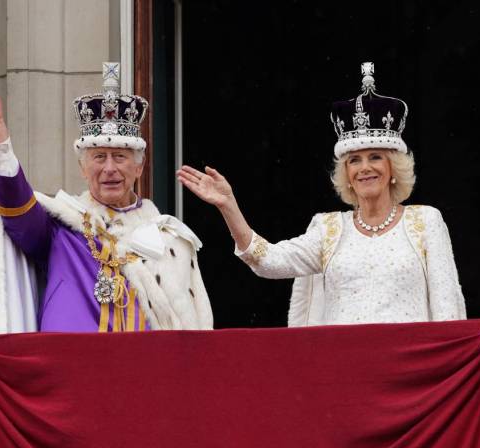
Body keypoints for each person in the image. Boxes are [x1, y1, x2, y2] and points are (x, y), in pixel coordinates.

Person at [178, 62, 465, 326]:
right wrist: (229, 205)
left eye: (375, 157)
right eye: (354, 160)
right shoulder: (328, 229)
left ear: (393, 168)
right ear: (348, 176)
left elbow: (447, 309)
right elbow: (268, 261)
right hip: (344, 369)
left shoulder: (426, 222)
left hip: (410, 370)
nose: (365, 168)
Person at [0, 62, 212, 334]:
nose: (109, 168)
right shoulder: (61, 227)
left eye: (119, 157)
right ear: (83, 169)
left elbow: (192, 335)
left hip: (145, 372)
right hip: (68, 369)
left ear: (139, 167)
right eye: (99, 157)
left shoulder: (170, 241)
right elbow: (17, 210)